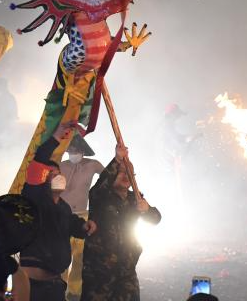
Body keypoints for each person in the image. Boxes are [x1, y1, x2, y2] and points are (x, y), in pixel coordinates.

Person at [20, 126, 96, 300]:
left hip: (55, 286)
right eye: (51, 174)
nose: (58, 177)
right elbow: (38, 161)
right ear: (41, 180)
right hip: (32, 287)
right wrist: (56, 136)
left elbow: (71, 224)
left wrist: (84, 226)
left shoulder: (63, 207)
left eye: (58, 173)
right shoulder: (35, 198)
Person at [80, 144, 160, 301]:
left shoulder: (135, 199)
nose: (126, 177)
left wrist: (147, 209)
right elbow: (102, 183)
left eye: (129, 174)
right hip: (99, 272)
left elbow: (156, 219)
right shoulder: (100, 196)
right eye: (121, 172)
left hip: (127, 270)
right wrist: (117, 159)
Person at [59, 136, 104, 301]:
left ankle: (74, 292)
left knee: (80, 256)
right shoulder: (61, 165)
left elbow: (108, 178)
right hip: (62, 215)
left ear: (83, 151)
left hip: (83, 216)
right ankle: (60, 288)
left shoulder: (92, 165)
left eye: (75, 151)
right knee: (62, 254)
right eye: (69, 150)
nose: (72, 153)